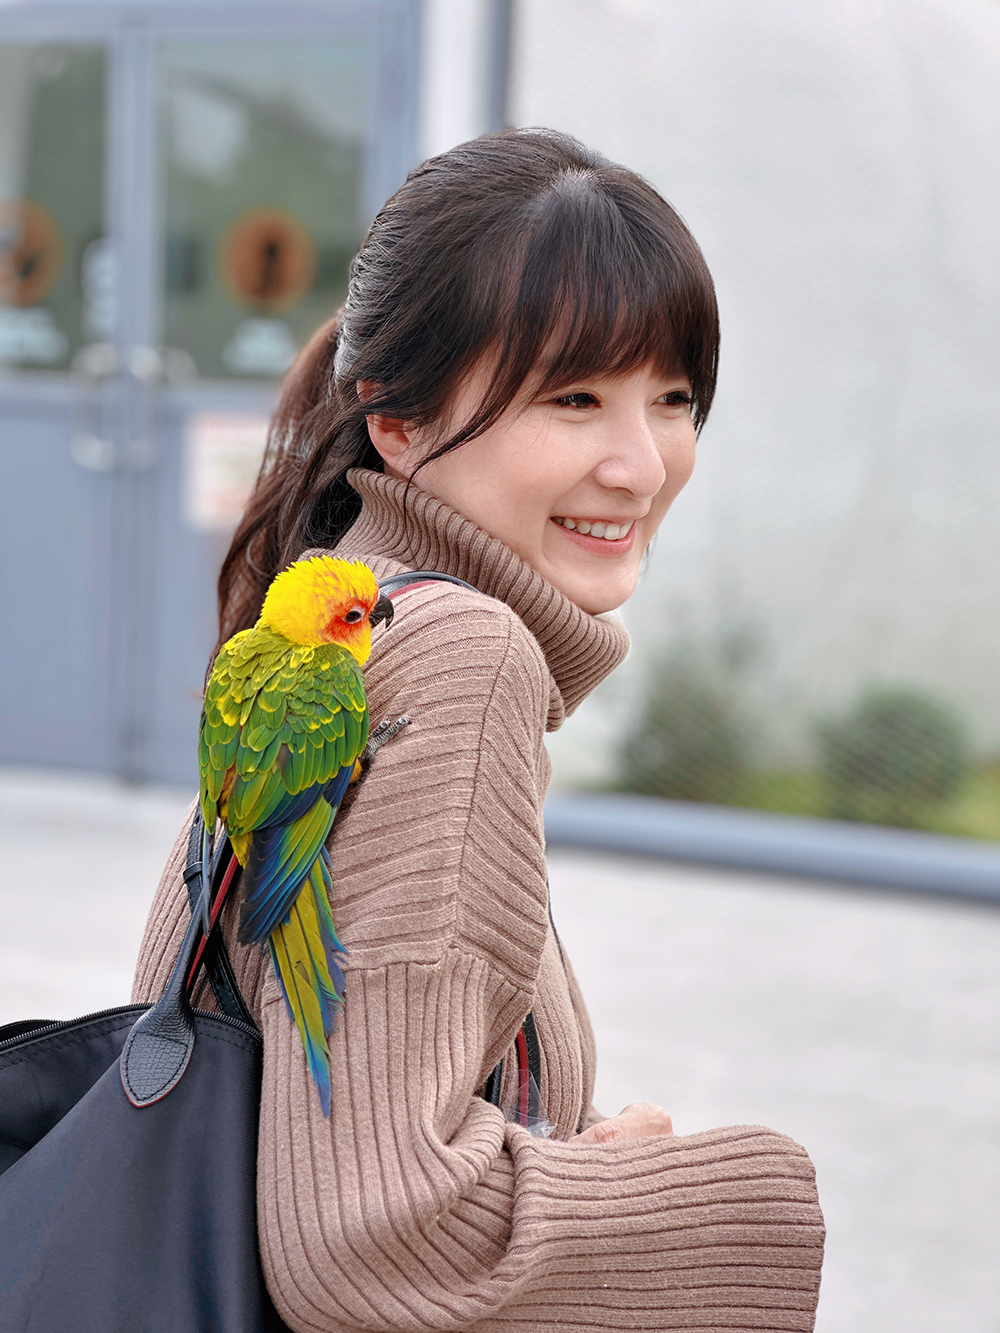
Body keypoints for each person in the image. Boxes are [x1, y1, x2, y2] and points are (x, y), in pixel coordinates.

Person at [135, 128, 824, 1331]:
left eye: (670, 398)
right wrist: (728, 1199)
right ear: (395, 427)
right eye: (573, 397)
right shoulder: (459, 656)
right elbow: (372, 1241)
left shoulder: (337, 619)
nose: (640, 464)